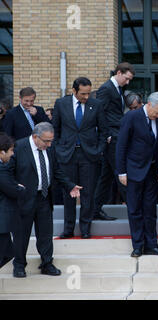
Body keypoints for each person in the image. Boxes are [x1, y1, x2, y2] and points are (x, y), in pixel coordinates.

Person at [9, 122, 82, 278]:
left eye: (51, 141)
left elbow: (56, 171)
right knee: (21, 234)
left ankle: (47, 263)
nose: (49, 144)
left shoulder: (48, 149)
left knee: (45, 234)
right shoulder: (19, 147)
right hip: (24, 199)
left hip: (44, 197)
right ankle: (19, 265)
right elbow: (8, 172)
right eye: (46, 141)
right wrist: (15, 188)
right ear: (35, 137)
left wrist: (70, 185)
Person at [116, 92, 158, 257]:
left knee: (150, 209)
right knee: (134, 210)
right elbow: (121, 146)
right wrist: (121, 172)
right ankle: (138, 245)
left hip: (152, 172)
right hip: (133, 171)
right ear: (150, 104)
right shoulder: (132, 117)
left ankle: (152, 245)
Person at [52, 77, 108, 239]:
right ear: (74, 91)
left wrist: (98, 150)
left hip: (89, 155)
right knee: (69, 192)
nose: (86, 97)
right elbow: (55, 128)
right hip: (66, 154)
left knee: (87, 193)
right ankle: (68, 229)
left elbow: (104, 131)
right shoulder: (61, 104)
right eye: (83, 93)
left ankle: (85, 228)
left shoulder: (96, 105)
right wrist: (58, 149)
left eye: (88, 93)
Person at [92, 62, 135, 221]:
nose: (128, 82)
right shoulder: (106, 88)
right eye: (126, 78)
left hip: (116, 134)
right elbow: (100, 112)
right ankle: (134, 209)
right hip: (113, 137)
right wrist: (107, 134)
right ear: (118, 72)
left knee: (107, 176)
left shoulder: (116, 89)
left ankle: (95, 209)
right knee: (120, 172)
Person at [0, 133, 25, 269]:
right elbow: (13, 190)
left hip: (4, 223)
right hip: (2, 223)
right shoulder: (1, 169)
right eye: (10, 151)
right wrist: (20, 188)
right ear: (2, 151)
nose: (12, 154)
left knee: (9, 253)